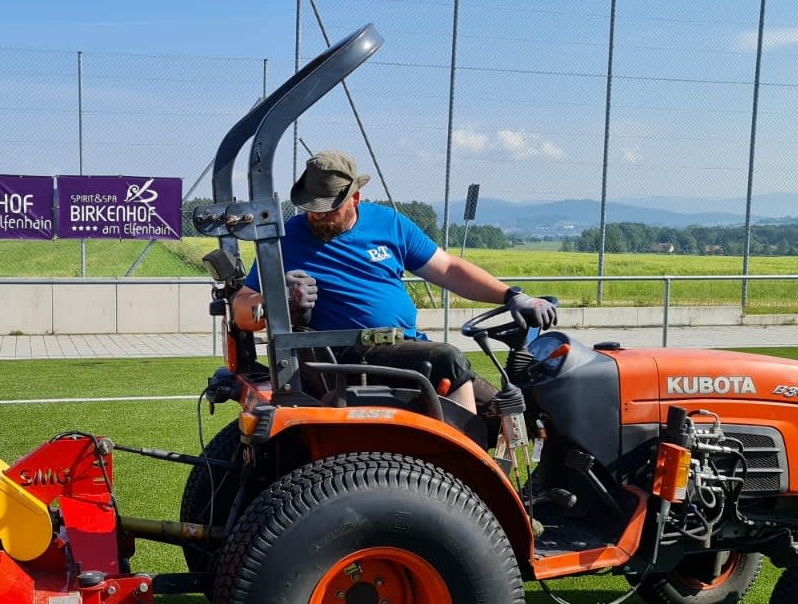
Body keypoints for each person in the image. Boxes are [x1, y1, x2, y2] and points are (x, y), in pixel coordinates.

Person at [231, 149, 556, 413]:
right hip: (349, 360)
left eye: (329, 208)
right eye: (312, 208)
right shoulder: (288, 239)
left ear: (355, 198)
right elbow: (242, 306)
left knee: (504, 410)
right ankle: (456, 488)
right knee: (449, 359)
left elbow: (448, 269)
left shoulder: (389, 223)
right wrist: (275, 302)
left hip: (404, 348)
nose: (318, 216)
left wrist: (511, 296)